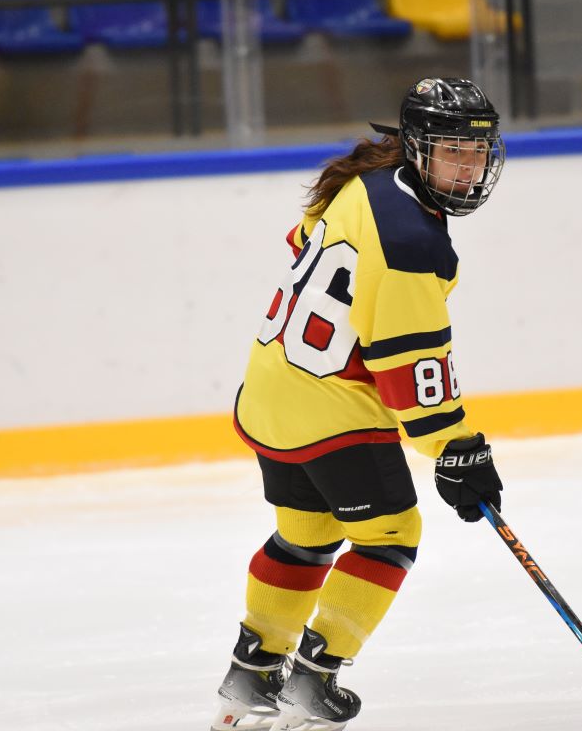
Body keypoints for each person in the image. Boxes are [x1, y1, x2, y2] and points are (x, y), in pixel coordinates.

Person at [212, 77, 507, 731]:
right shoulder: (411, 241)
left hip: (271, 390)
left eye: (478, 153)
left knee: (308, 535)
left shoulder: (365, 183)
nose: (468, 168)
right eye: (452, 152)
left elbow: (304, 251)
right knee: (391, 537)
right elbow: (409, 365)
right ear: (417, 148)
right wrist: (457, 448)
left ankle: (252, 674)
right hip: (330, 409)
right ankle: (313, 683)